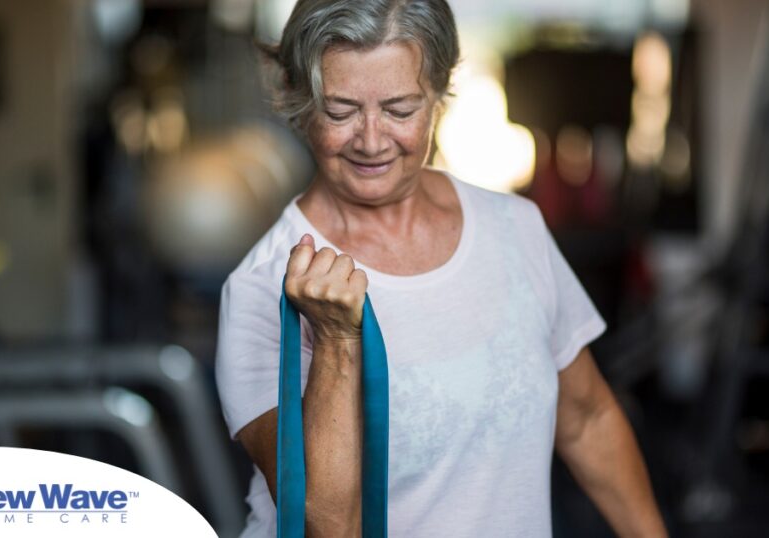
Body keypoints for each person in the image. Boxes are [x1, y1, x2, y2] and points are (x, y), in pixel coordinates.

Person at [215, 0, 667, 535]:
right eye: (340, 111)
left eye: (400, 109)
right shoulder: (261, 288)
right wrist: (336, 343)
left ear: (439, 92)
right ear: (301, 100)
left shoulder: (514, 227)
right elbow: (327, 525)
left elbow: (587, 419)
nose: (371, 140)